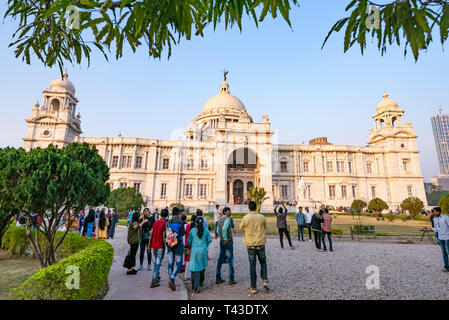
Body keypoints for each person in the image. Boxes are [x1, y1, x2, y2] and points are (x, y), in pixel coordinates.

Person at [240, 201, 270, 294]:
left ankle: (253, 287)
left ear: (249, 208)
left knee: (252, 265)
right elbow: (265, 227)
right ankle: (264, 281)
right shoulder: (261, 217)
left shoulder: (246, 217)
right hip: (260, 243)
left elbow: (241, 228)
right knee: (263, 263)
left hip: (250, 244)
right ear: (256, 207)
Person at [188, 217, 213, 293]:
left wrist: (193, 244)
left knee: (194, 269)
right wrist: (205, 245)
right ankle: (201, 281)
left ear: (195, 223)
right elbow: (210, 240)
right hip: (203, 250)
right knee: (202, 266)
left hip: (195, 250)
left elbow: (189, 241)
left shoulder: (192, 230)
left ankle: (195, 286)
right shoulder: (206, 230)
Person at [215, 207, 236, 285]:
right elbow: (224, 229)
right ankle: (231, 278)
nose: (230, 212)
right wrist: (225, 238)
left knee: (220, 260)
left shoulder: (220, 219)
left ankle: (218, 277)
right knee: (230, 259)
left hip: (221, 241)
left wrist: (221, 238)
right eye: (228, 211)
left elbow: (217, 229)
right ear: (225, 212)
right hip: (227, 241)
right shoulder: (227, 219)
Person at [166, 207, 186, 291]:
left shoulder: (168, 222)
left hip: (170, 244)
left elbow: (166, 233)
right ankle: (172, 278)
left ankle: (172, 279)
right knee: (178, 263)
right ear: (178, 214)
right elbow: (183, 233)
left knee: (170, 262)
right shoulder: (180, 222)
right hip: (178, 244)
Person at [149, 209, 168, 288]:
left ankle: (157, 275)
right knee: (158, 263)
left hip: (154, 246)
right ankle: (154, 280)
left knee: (156, 262)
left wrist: (149, 245)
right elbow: (164, 237)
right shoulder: (164, 223)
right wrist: (166, 245)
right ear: (166, 216)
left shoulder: (155, 222)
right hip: (160, 246)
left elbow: (151, 234)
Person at [431, 207, 449, 272]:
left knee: (448, 252)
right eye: (434, 211)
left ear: (440, 211)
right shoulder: (434, 219)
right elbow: (436, 228)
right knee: (444, 253)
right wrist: (428, 229)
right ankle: (446, 267)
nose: (435, 213)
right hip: (440, 238)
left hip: (447, 237)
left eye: (436, 211)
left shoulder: (445, 217)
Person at [184, 214, 196, 281]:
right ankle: (188, 275)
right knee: (191, 260)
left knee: (187, 259)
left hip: (187, 244)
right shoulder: (194, 227)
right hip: (192, 245)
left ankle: (187, 275)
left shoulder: (188, 225)